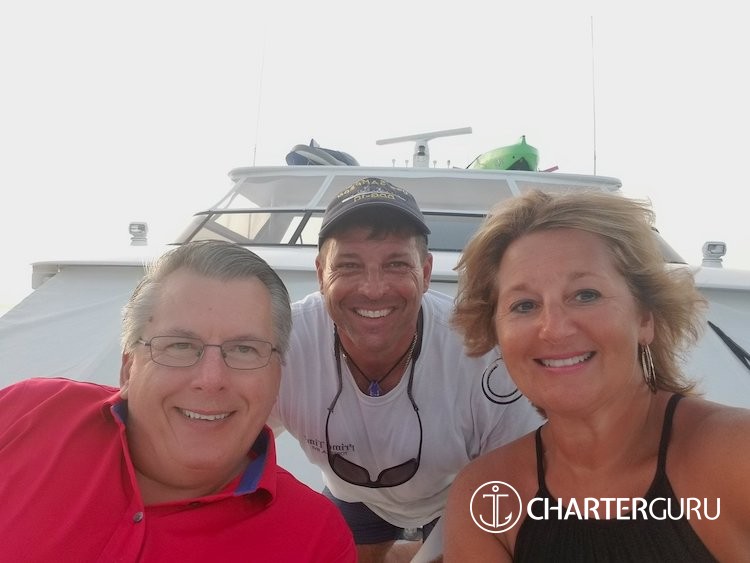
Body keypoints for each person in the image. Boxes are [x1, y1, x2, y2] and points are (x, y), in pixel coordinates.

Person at [0, 240, 356, 563]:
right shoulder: (26, 412)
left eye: (245, 349)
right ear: (128, 368)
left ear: (277, 377)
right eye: (180, 346)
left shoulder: (317, 541)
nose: (211, 380)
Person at [443, 190, 750, 562]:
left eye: (585, 295)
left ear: (645, 318)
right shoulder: (487, 495)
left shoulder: (736, 456)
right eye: (524, 305)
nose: (554, 329)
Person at [269, 177, 541, 562]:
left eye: (396, 264)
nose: (373, 289)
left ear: (426, 273)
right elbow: (234, 441)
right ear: (320, 274)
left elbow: (516, 478)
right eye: (348, 265)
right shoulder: (284, 342)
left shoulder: (481, 352)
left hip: (454, 494)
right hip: (354, 495)